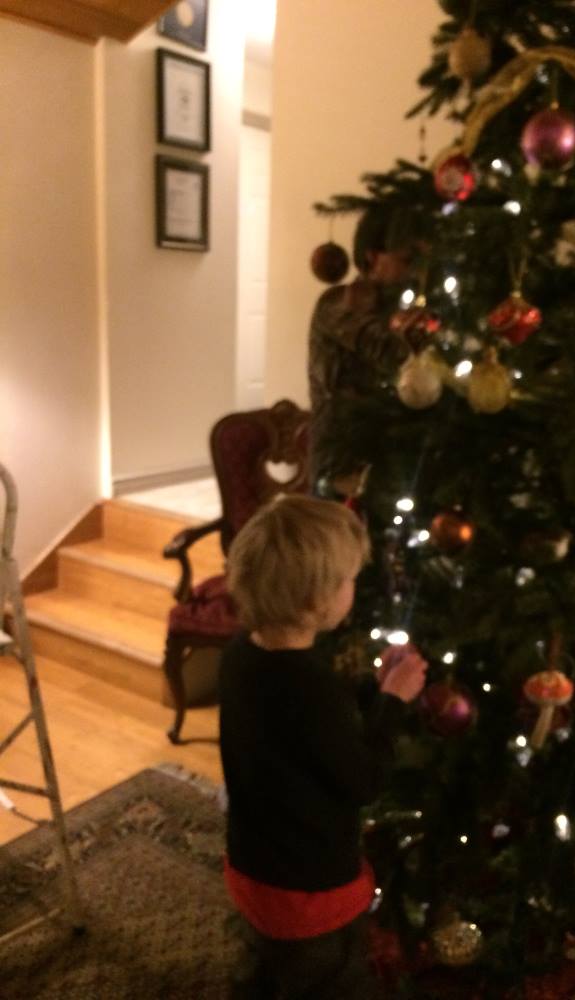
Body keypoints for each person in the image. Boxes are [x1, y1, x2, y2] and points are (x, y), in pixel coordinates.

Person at [219, 493, 428, 999]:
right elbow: (364, 780)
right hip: (310, 888)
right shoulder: (312, 690)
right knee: (332, 982)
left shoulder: (240, 654)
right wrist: (394, 702)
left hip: (252, 867)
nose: (353, 588)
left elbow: (297, 736)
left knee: (266, 969)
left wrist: (371, 692)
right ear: (319, 600)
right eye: (350, 579)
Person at [307, 204, 429, 495]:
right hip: (343, 466)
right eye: (407, 259)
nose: (417, 271)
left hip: (398, 458)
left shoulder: (405, 307)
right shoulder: (336, 304)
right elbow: (392, 354)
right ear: (372, 257)